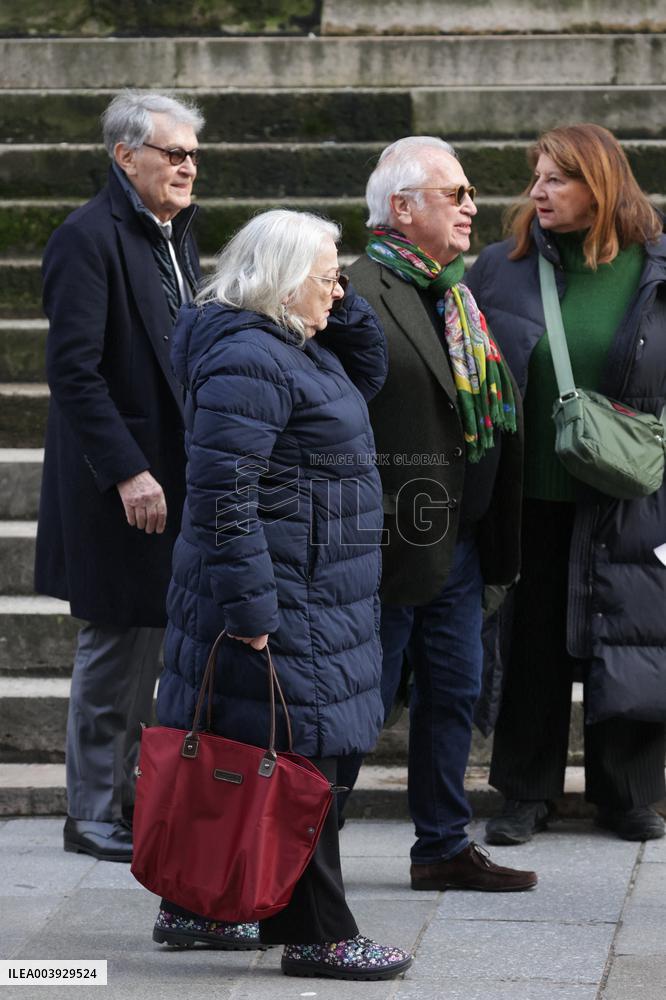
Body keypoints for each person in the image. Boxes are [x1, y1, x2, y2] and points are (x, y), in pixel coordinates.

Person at [150, 209, 413, 978]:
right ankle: (317, 933)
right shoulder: (250, 359)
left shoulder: (294, 345)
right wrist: (253, 610)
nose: (338, 292)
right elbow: (222, 495)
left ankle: (198, 905)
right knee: (307, 764)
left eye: (338, 278)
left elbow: (369, 367)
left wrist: (333, 287)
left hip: (316, 588)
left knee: (254, 748)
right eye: (327, 278)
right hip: (285, 597)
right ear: (279, 281)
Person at [337, 136, 538, 893]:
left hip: (459, 543)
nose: (471, 207)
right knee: (357, 706)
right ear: (402, 207)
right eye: (454, 194)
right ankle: (306, 847)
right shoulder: (353, 290)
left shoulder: (455, 290)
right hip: (386, 547)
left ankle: (443, 846)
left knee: (453, 692)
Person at [465, 123, 666, 845]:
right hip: (534, 494)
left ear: (600, 186)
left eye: (556, 179)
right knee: (534, 642)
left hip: (632, 491)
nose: (537, 192)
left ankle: (630, 794)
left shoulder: (656, 268)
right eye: (537, 177)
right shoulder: (501, 267)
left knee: (633, 634)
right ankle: (524, 791)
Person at [35, 90, 204, 862]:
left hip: (172, 478)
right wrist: (130, 472)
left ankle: (130, 797)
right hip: (119, 486)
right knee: (114, 645)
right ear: (124, 155)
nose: (187, 166)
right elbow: (73, 374)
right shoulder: (85, 237)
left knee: (151, 645)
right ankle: (90, 811)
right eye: (173, 153)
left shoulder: (172, 232)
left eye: (193, 154)